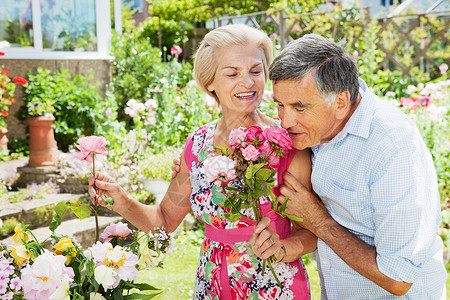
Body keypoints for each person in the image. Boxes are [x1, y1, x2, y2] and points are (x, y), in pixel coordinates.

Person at [89, 24, 317, 299]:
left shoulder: (286, 142)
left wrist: (283, 248)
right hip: (213, 282)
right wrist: (121, 200)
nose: (248, 82)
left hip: (275, 284)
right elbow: (164, 220)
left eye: (256, 71)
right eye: (232, 73)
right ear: (210, 82)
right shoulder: (196, 145)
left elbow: (311, 231)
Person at [266, 33, 446, 299]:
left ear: (340, 102)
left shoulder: (392, 148)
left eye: (299, 108)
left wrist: (318, 221)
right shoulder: (313, 131)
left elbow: (398, 279)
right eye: (280, 105)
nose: (285, 121)